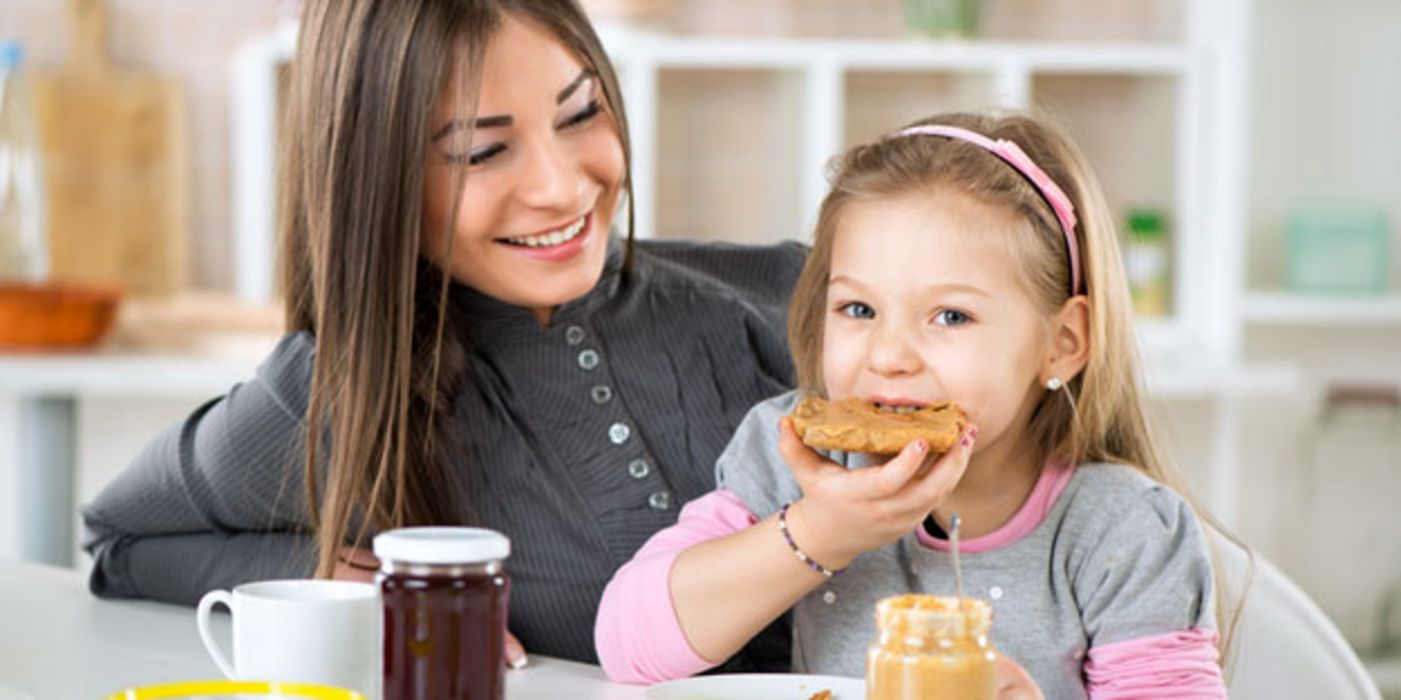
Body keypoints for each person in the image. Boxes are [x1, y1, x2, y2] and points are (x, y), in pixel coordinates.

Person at [81, 0, 800, 671]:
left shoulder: (797, 300)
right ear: (378, 179)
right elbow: (121, 542)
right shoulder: (339, 394)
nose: (559, 186)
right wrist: (319, 575)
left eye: (580, 113)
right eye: (482, 152)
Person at [596, 112, 1233, 698]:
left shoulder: (1122, 531)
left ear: (1061, 345)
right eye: (858, 309)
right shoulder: (796, 452)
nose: (889, 354)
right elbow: (628, 646)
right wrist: (822, 532)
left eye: (950, 316)